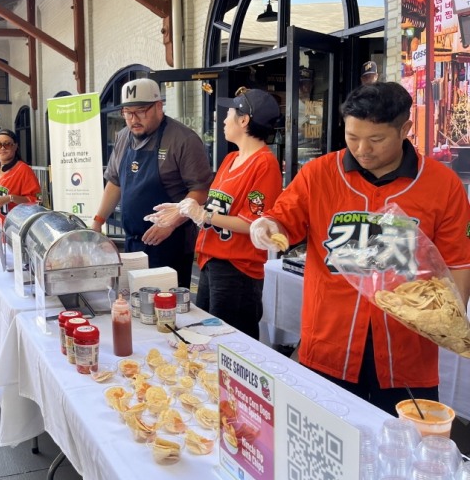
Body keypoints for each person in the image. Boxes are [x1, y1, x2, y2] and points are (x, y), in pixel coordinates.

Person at [250, 82, 470, 415]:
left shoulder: (442, 184)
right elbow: (283, 218)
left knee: (403, 449)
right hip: (329, 343)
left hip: (406, 353)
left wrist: (449, 321)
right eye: (352, 137)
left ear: (405, 129)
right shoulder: (319, 174)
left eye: (376, 139)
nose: (362, 149)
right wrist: (267, 226)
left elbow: (459, 262)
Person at [146, 89, 282, 339]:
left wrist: (202, 215)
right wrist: (180, 209)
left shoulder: (265, 164)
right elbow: (213, 205)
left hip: (238, 270)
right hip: (210, 262)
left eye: (229, 113)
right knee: (206, 337)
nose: (224, 119)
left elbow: (253, 223)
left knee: (231, 341)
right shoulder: (231, 159)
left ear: (244, 120)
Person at [92, 78, 213, 288]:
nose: (133, 119)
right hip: (133, 243)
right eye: (127, 113)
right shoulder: (123, 137)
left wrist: (171, 222)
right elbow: (115, 183)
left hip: (170, 244)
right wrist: (97, 221)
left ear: (159, 106)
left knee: (166, 310)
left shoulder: (183, 139)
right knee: (134, 304)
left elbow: (201, 190)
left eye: (140, 111)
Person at [0, 128, 41, 221]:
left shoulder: (24, 170)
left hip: (13, 229)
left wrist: (11, 198)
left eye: (7, 144)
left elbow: (36, 201)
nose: (2, 148)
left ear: (15, 146)